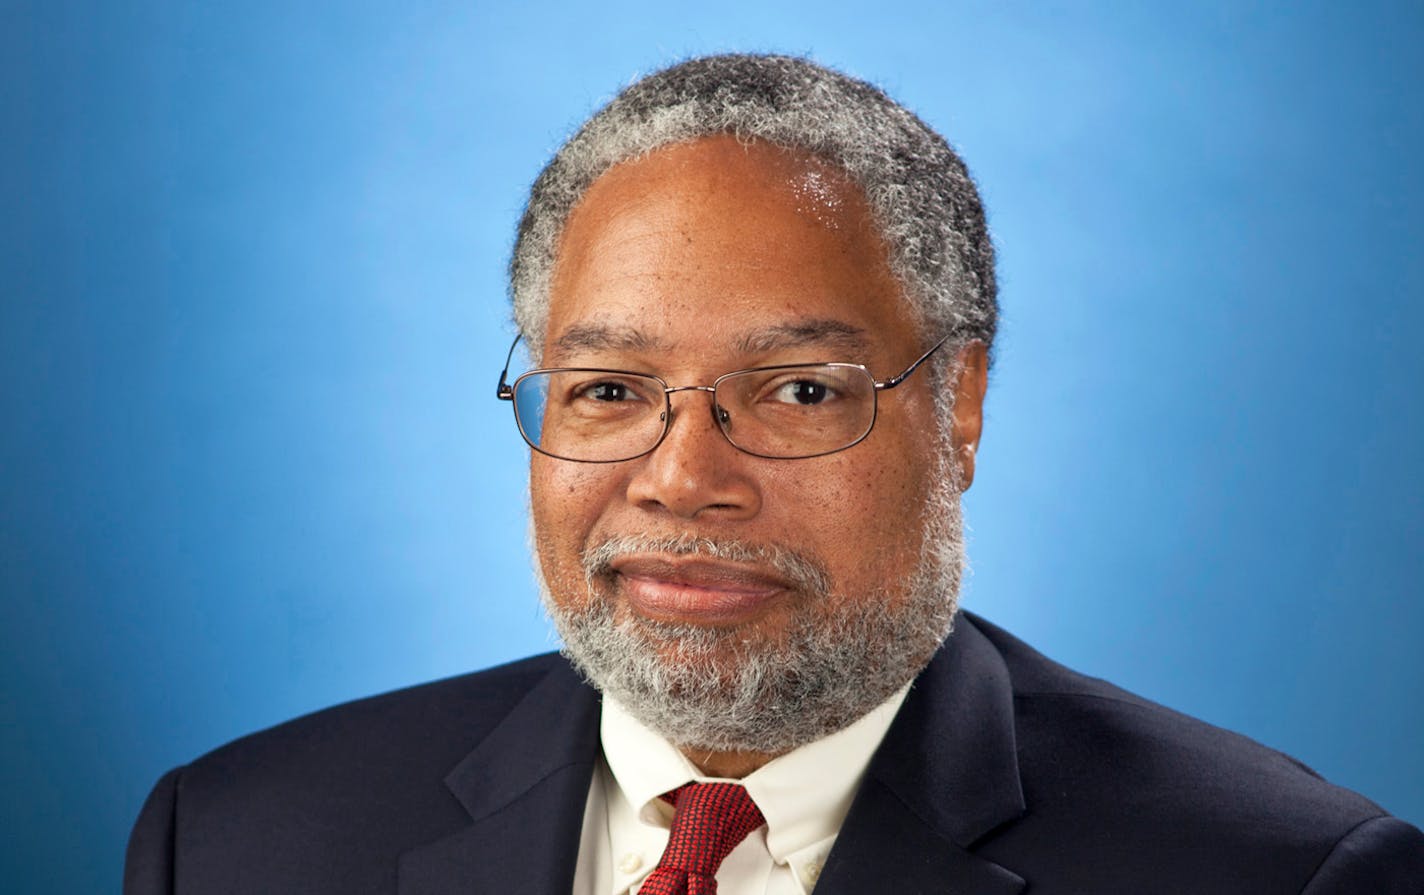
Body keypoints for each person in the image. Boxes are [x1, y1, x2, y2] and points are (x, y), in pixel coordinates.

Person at [124, 54, 1424, 894]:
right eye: (611, 393)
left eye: (798, 391)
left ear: (958, 412)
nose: (684, 480)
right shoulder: (239, 842)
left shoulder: (1284, 875)